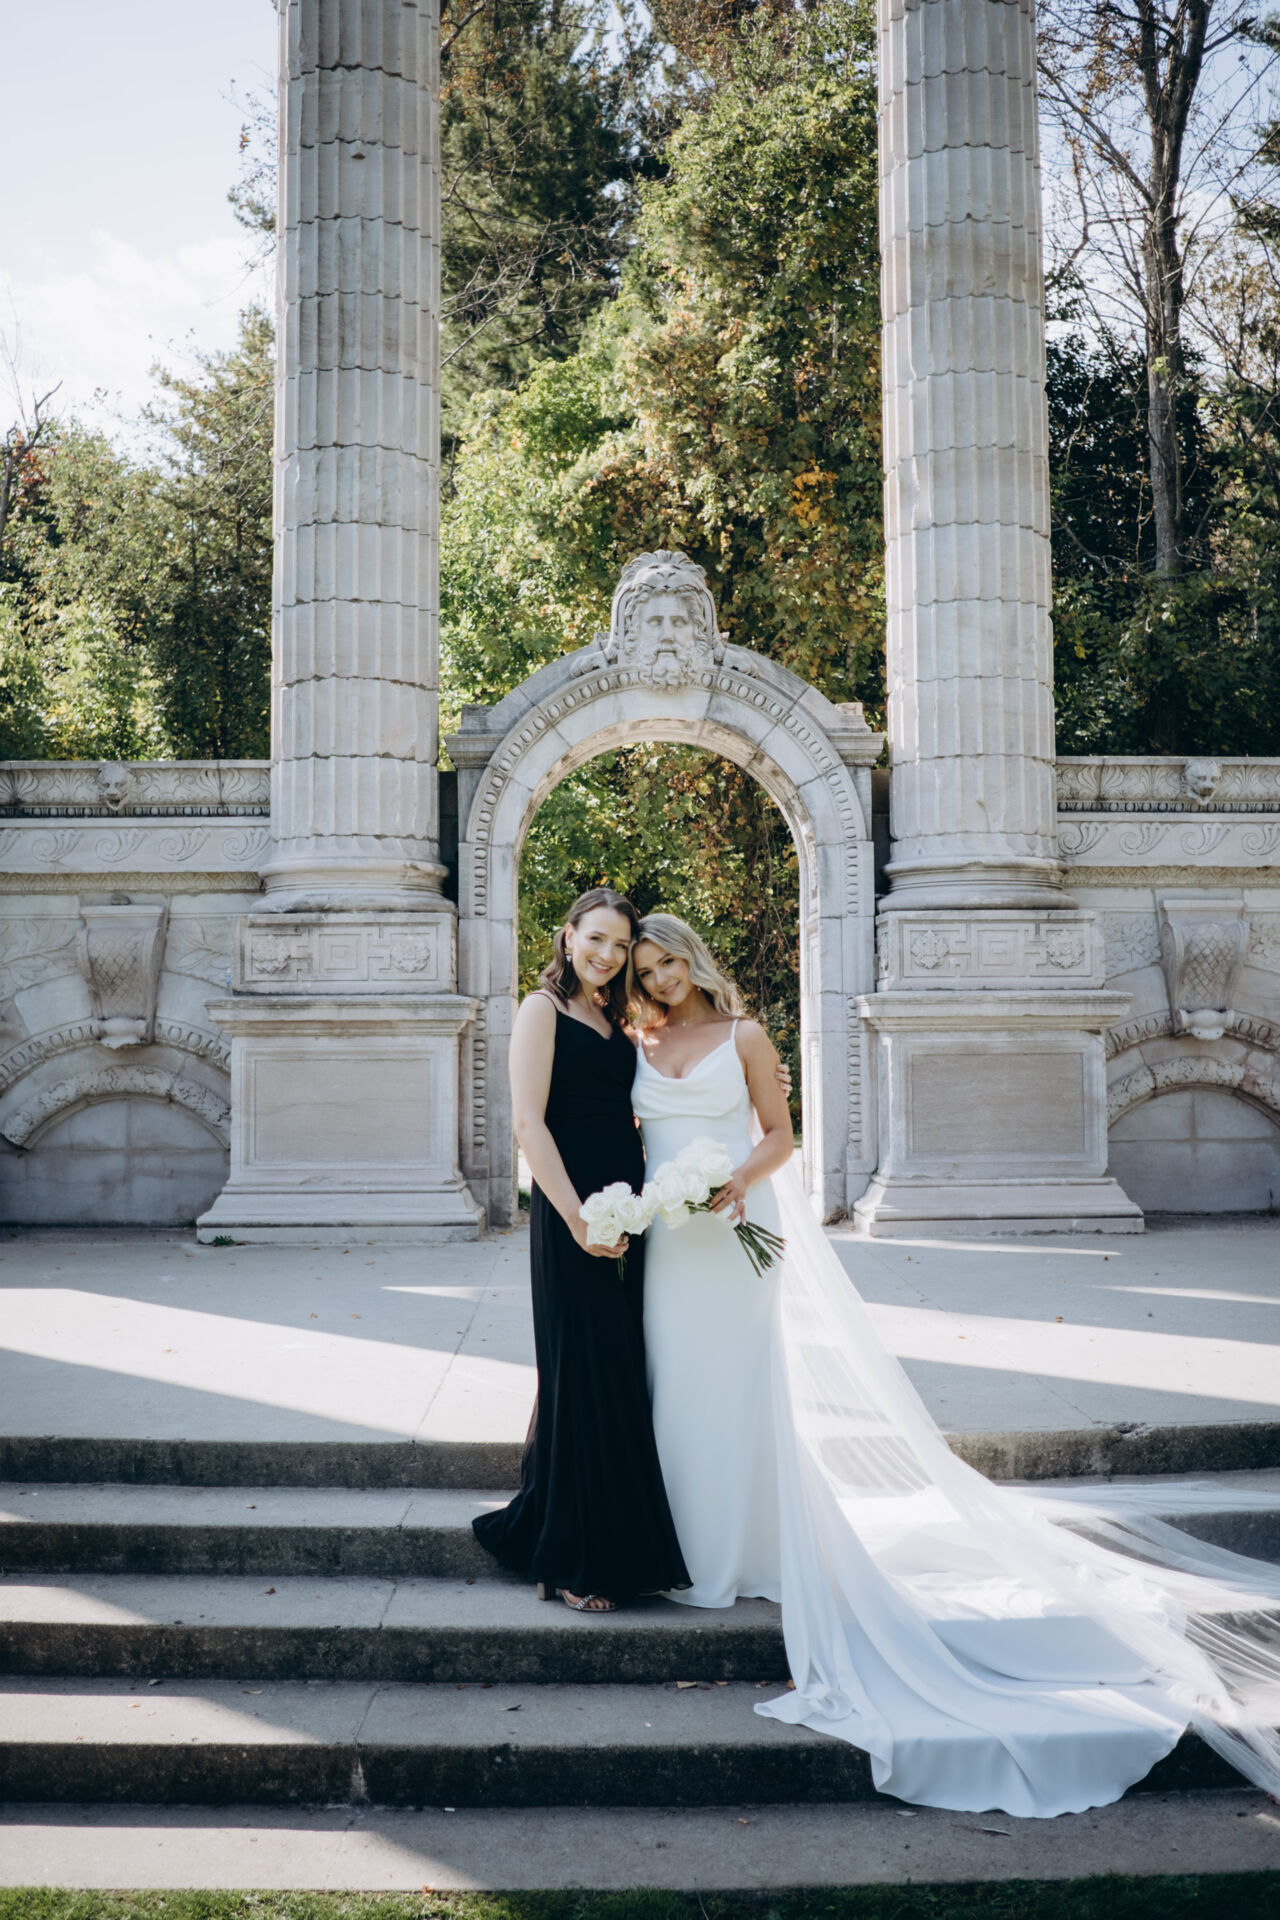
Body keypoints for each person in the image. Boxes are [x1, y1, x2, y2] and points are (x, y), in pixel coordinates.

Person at [629, 913, 1280, 1818]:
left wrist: (738, 1180)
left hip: (739, 1230)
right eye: (646, 970)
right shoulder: (638, 1040)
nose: (659, 980)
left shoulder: (744, 1035)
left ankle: (741, 1549)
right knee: (672, 1388)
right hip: (669, 1240)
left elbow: (779, 1137)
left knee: (735, 1386)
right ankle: (679, 1540)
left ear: (693, 959)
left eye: (667, 962)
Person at [472, 888, 689, 1613]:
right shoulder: (542, 1010)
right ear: (568, 936)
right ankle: (570, 1558)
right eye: (596, 938)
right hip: (574, 1215)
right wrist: (575, 1219)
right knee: (581, 1371)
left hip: (627, 1213)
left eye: (621, 945)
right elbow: (529, 1125)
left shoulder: (613, 1014)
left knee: (612, 1372)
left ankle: (614, 1544)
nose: (608, 954)